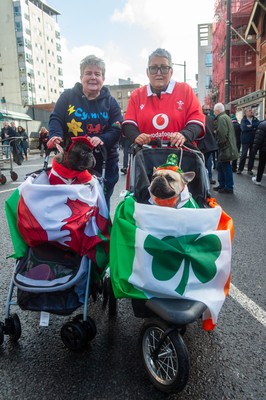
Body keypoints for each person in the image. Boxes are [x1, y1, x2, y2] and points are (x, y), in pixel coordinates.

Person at [48, 55, 123, 210]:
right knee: (73, 205)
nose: (93, 77)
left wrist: (102, 139)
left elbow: (117, 128)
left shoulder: (111, 102)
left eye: (97, 74)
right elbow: (56, 118)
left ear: (103, 77)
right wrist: (55, 135)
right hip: (72, 161)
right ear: (81, 76)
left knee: (101, 203)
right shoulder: (67, 96)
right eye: (89, 73)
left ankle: (100, 232)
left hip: (104, 162)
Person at [122, 48, 205, 148]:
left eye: (164, 68)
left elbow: (197, 119)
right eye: (153, 68)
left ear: (171, 71)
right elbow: (129, 123)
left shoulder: (185, 90)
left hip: (181, 156)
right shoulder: (137, 95)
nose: (159, 73)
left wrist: (184, 134)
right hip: (146, 158)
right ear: (147, 72)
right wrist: (136, 137)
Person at [212, 103, 238, 194]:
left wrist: (219, 144)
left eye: (214, 110)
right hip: (227, 146)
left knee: (225, 167)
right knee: (221, 166)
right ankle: (223, 185)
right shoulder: (226, 117)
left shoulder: (221, 118)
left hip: (225, 147)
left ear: (217, 110)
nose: (214, 112)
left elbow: (222, 134)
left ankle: (228, 187)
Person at [198, 105, 218, 184]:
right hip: (209, 144)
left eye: (208, 109)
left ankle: (202, 179)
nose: (207, 110)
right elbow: (215, 130)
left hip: (201, 144)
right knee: (208, 162)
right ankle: (209, 178)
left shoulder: (199, 118)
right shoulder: (212, 119)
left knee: (201, 162)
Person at [237, 107, 260, 175]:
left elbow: (258, 124)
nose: (251, 112)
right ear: (246, 112)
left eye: (252, 111)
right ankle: (240, 169)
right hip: (245, 140)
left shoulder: (255, 119)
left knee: (252, 155)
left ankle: (249, 170)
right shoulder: (243, 120)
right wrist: (253, 128)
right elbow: (244, 128)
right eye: (250, 111)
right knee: (243, 155)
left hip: (253, 140)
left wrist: (251, 126)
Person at [251, 111, 266, 185]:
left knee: (261, 164)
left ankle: (258, 180)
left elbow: (258, 139)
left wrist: (254, 149)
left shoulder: (262, 124)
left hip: (263, 149)